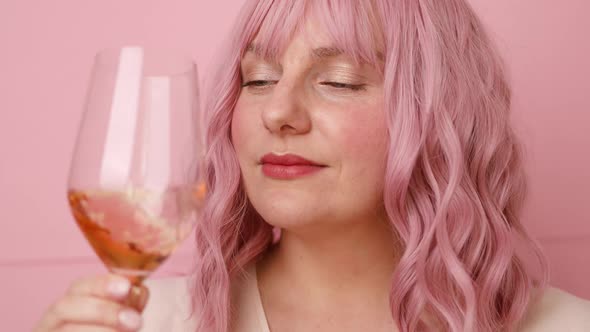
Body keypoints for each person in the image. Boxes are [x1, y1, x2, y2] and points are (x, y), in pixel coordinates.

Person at [34, 0, 590, 331]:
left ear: (438, 118)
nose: (278, 112)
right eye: (258, 79)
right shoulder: (145, 324)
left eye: (339, 82)